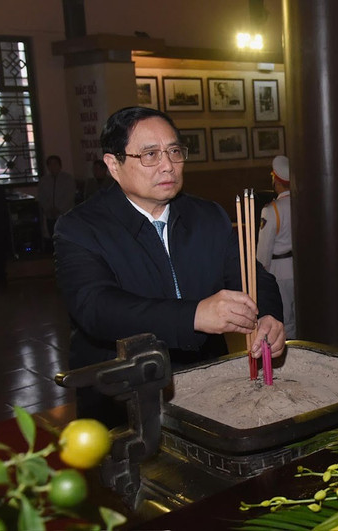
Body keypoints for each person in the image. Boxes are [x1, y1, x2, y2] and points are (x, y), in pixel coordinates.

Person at [54, 106, 285, 426]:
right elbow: (96, 308)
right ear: (113, 164)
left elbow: (251, 275)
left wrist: (268, 315)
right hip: (124, 395)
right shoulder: (80, 227)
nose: (168, 165)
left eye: (174, 152)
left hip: (207, 383)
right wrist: (194, 315)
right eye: (150, 154)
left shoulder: (207, 216)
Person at [256, 155, 295, 339]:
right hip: (298, 268)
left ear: (276, 180)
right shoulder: (300, 204)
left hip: (278, 271)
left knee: (285, 318)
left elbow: (264, 250)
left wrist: (260, 273)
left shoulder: (271, 210)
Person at [36, 155, 75, 250]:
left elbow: (69, 196)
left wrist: (59, 209)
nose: (53, 166)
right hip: (50, 215)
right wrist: (48, 209)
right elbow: (41, 197)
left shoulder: (68, 179)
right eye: (50, 164)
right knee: (53, 238)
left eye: (55, 164)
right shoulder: (44, 180)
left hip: (65, 215)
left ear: (60, 165)